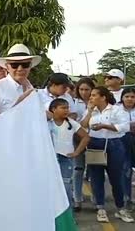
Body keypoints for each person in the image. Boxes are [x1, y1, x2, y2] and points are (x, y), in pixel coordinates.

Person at [80, 86, 134, 223]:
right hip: (95, 144)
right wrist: (89, 112)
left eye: (94, 95)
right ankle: (100, 208)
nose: (91, 98)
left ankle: (121, 208)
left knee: (117, 177)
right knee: (97, 177)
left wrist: (104, 126)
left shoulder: (116, 110)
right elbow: (82, 126)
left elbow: (124, 127)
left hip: (114, 144)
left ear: (103, 97)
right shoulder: (90, 110)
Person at [48, 99, 90, 208]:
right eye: (63, 108)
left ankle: (69, 215)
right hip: (50, 158)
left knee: (66, 187)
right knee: (51, 187)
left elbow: (85, 137)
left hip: (65, 158)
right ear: (53, 109)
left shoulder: (71, 123)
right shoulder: (47, 123)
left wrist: (76, 152)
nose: (66, 110)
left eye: (67, 107)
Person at [0, 44, 41, 113]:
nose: (20, 69)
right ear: (7, 67)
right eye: (15, 65)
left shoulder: (32, 89)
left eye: (25, 65)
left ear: (30, 66)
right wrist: (18, 104)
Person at [72, 77, 96, 212]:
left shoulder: (98, 101)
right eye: (81, 89)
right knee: (78, 169)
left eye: (87, 89)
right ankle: (77, 198)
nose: (84, 92)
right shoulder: (74, 102)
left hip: (94, 138)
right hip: (78, 138)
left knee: (94, 168)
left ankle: (96, 197)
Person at [118, 87, 135, 210]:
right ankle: (126, 198)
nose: (129, 99)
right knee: (126, 169)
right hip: (123, 141)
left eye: (133, 97)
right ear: (122, 97)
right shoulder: (116, 110)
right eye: (127, 96)